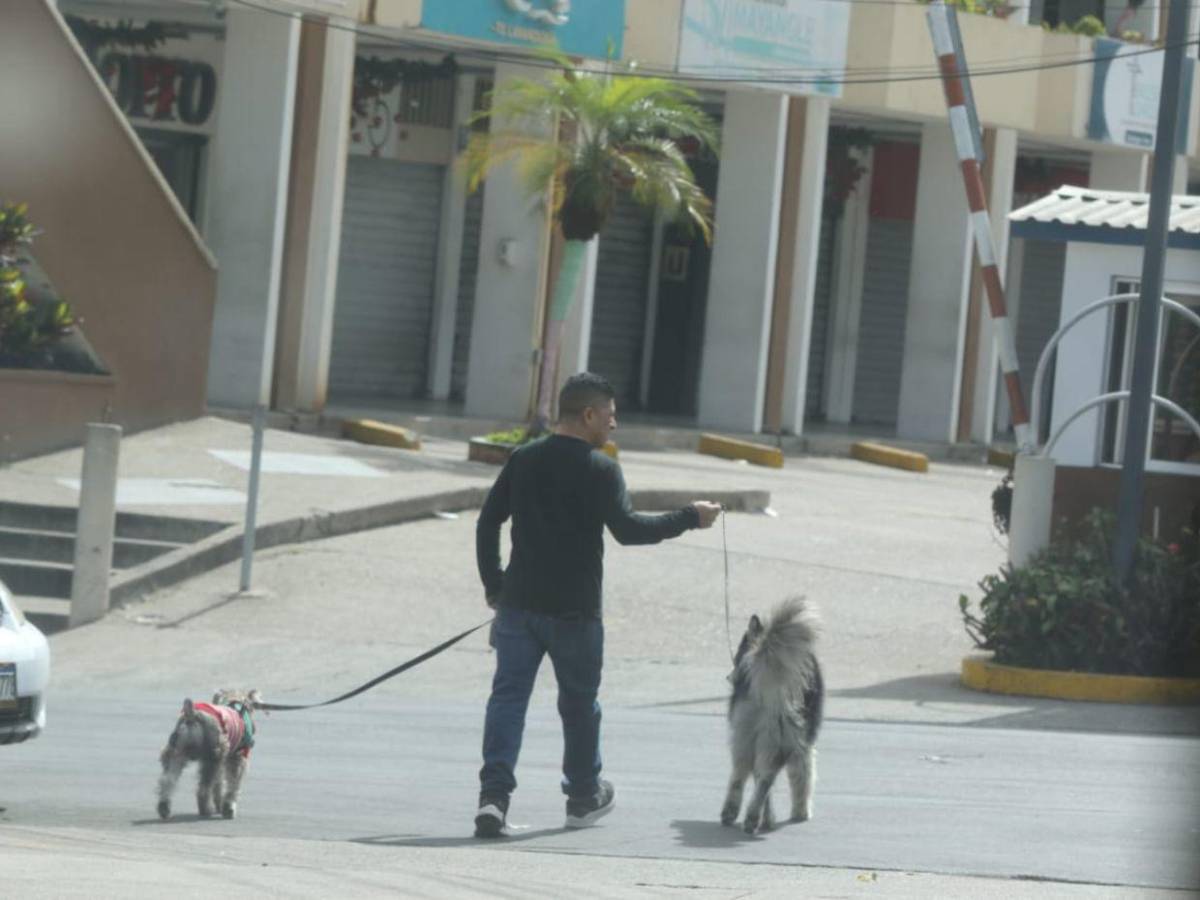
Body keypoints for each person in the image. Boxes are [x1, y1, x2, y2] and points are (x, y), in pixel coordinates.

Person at [473, 372, 722, 837]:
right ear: (587, 415)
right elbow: (629, 531)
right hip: (575, 613)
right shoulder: (601, 468)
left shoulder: (523, 459)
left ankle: (493, 800)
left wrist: (495, 587)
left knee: (507, 700)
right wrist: (691, 517)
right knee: (579, 704)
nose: (614, 424)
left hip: (519, 608)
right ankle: (583, 796)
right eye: (609, 415)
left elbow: (487, 524)